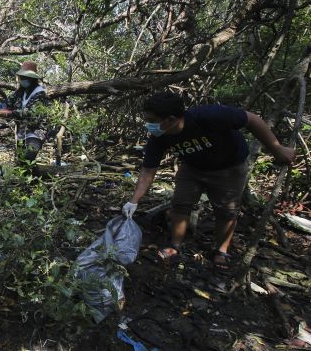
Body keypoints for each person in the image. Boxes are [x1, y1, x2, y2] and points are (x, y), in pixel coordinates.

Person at [122, 92, 295, 271]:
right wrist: (134, 201)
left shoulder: (209, 116)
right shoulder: (159, 136)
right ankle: (175, 246)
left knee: (226, 211)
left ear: (171, 119)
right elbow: (148, 170)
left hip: (229, 167)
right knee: (180, 204)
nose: (148, 124)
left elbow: (251, 119)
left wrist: (276, 148)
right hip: (192, 167)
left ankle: (221, 250)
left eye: (151, 119)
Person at [0, 61, 51, 173]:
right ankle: (30, 184)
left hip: (36, 131)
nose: (23, 80)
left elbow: (31, 113)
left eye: (25, 77)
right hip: (22, 132)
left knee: (28, 156)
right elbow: (8, 103)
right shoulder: (20, 92)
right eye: (22, 77)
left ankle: (39, 181)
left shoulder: (40, 93)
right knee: (21, 162)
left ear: (32, 79)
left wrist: (8, 113)